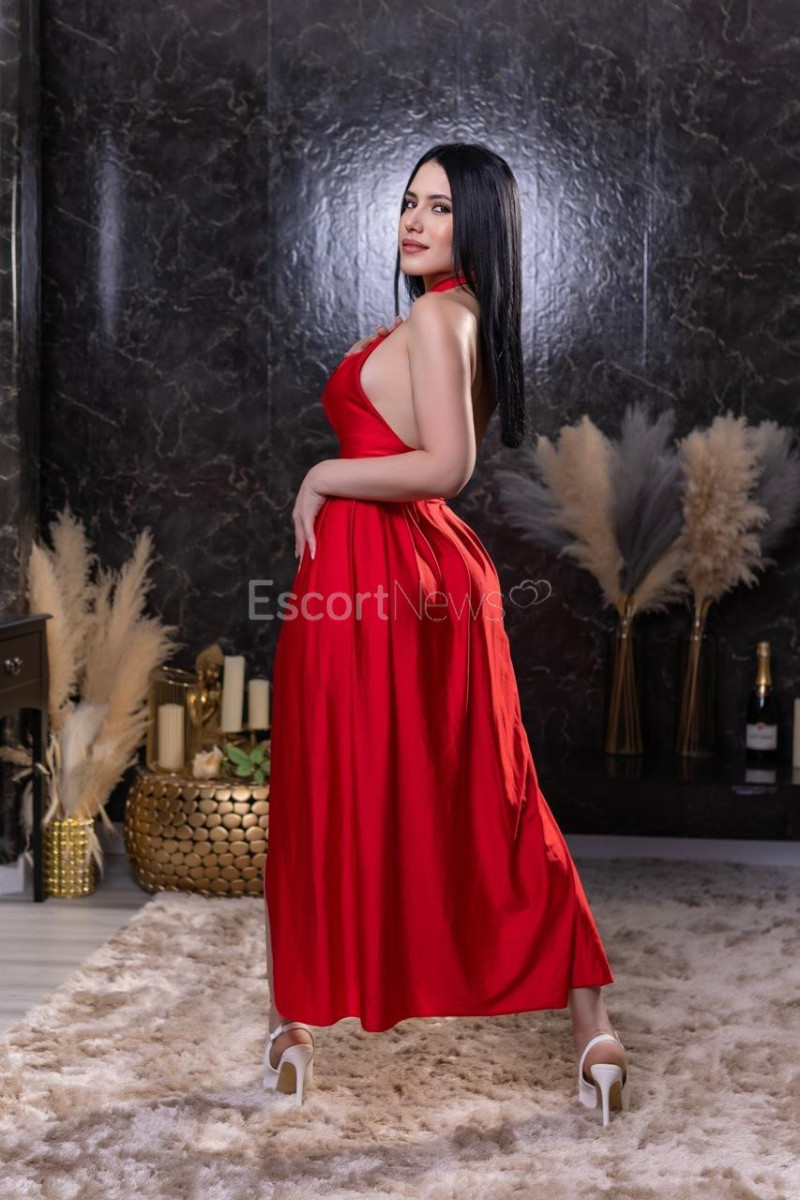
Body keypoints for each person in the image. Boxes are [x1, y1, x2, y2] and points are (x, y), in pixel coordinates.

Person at [262, 142, 630, 1125]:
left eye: (440, 207)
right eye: (408, 201)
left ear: (478, 225)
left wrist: (322, 475)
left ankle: (291, 1020)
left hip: (379, 572)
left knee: (331, 784)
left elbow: (444, 466)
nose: (413, 221)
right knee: (480, 793)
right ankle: (592, 1030)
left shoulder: (436, 316)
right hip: (406, 572)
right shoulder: (461, 314)